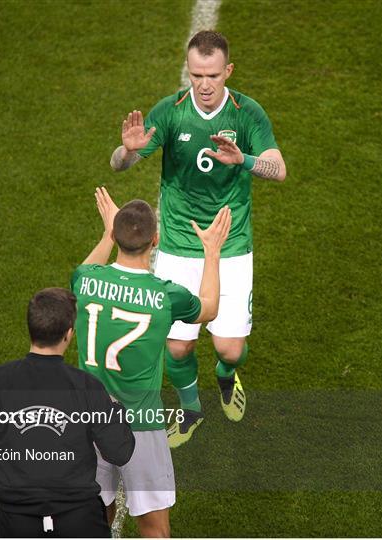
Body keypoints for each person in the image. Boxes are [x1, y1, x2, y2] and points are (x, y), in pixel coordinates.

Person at [110, 30, 287, 447]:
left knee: (228, 349)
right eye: (196, 75)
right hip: (177, 247)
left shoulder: (248, 113)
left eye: (212, 75)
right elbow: (120, 165)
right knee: (176, 348)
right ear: (189, 72)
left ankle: (226, 378)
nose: (204, 85)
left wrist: (242, 159)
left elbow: (279, 170)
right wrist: (127, 151)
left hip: (230, 245)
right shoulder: (170, 112)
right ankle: (190, 411)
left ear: (228, 70)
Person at [71, 187, 230, 537]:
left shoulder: (85, 281)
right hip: (140, 425)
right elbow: (209, 307)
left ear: (117, 236)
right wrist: (213, 251)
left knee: (95, 515)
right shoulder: (166, 295)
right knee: (155, 529)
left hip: (88, 421)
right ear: (155, 239)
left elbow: (85, 268)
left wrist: (106, 234)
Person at [0, 287, 135, 538]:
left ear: (31, 328)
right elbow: (119, 451)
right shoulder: (87, 387)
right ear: (69, 334)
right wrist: (115, 408)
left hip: (17, 522)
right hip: (81, 520)